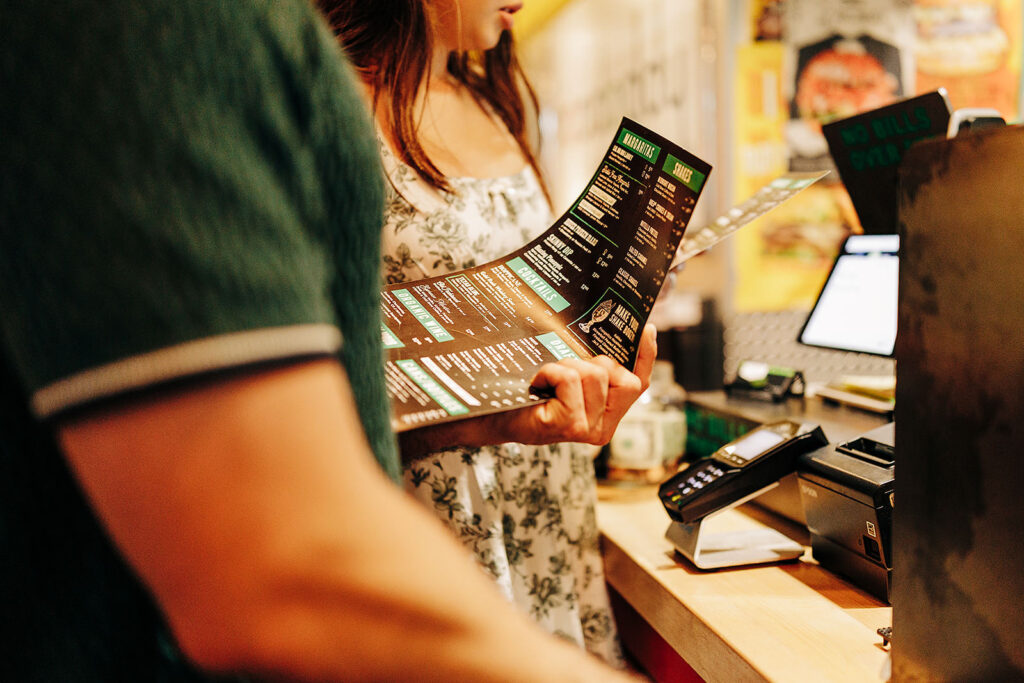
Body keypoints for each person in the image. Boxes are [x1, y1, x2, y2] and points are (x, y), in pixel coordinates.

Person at [0, 1, 653, 681]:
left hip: (514, 530)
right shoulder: (157, 34)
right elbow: (272, 553)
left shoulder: (314, 55)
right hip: (393, 553)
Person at [317, 0, 649, 665]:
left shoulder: (492, 103)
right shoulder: (331, 106)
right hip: (424, 519)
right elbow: (315, 399)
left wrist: (602, 324)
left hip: (544, 503)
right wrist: (498, 424)